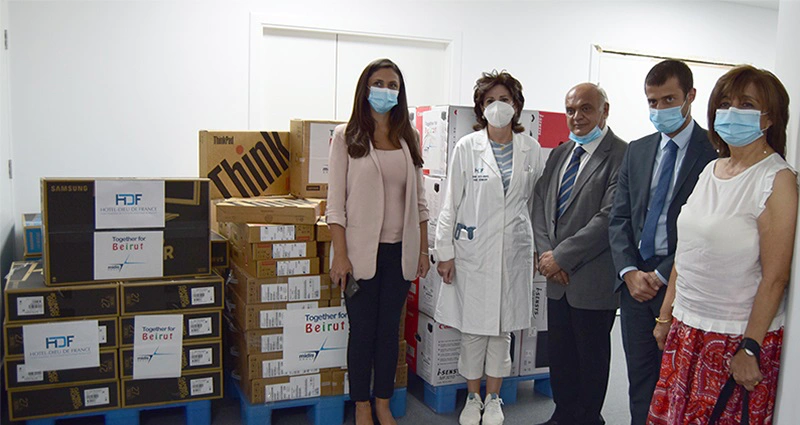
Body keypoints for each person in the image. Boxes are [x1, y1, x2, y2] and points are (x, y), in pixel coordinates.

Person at [648, 65, 797, 425]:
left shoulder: (776, 181)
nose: (732, 113)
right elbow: (687, 252)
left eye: (746, 105)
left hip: (732, 339)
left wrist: (751, 347)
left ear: (770, 117)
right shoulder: (711, 170)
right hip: (687, 328)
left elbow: (775, 278)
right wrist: (666, 316)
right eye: (726, 103)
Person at [608, 59, 717, 425]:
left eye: (669, 100)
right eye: (652, 102)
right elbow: (619, 218)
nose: (659, 110)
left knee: (678, 383)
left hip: (682, 286)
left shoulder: (714, 153)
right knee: (640, 380)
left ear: (690, 97)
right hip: (634, 287)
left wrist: (661, 273)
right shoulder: (638, 150)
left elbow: (707, 231)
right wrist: (629, 272)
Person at [434, 71, 546, 425]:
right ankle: (472, 397)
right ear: (482, 108)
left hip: (514, 251)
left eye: (505, 100)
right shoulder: (468, 147)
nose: (499, 106)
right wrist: (445, 251)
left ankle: (494, 398)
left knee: (502, 330)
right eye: (490, 100)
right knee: (473, 330)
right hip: (473, 252)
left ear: (516, 106)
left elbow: (536, 205)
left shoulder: (531, 149)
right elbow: (451, 202)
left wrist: (534, 251)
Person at [327, 58, 430, 425]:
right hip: (358, 256)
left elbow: (419, 201)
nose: (385, 90)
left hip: (399, 253)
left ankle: (383, 402)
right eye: (379, 83)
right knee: (363, 332)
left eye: (393, 85)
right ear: (365, 88)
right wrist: (340, 255)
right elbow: (334, 206)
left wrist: (423, 249)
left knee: (390, 333)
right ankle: (361, 406)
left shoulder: (408, 138)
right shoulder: (346, 136)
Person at [532, 83, 626, 425]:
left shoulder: (621, 155)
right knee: (561, 355)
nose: (577, 117)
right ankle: (563, 414)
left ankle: (588, 418)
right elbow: (540, 205)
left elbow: (609, 217)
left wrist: (562, 257)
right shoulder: (560, 153)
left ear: (605, 110)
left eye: (586, 108)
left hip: (592, 279)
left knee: (591, 357)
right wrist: (547, 255)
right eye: (571, 110)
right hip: (556, 278)